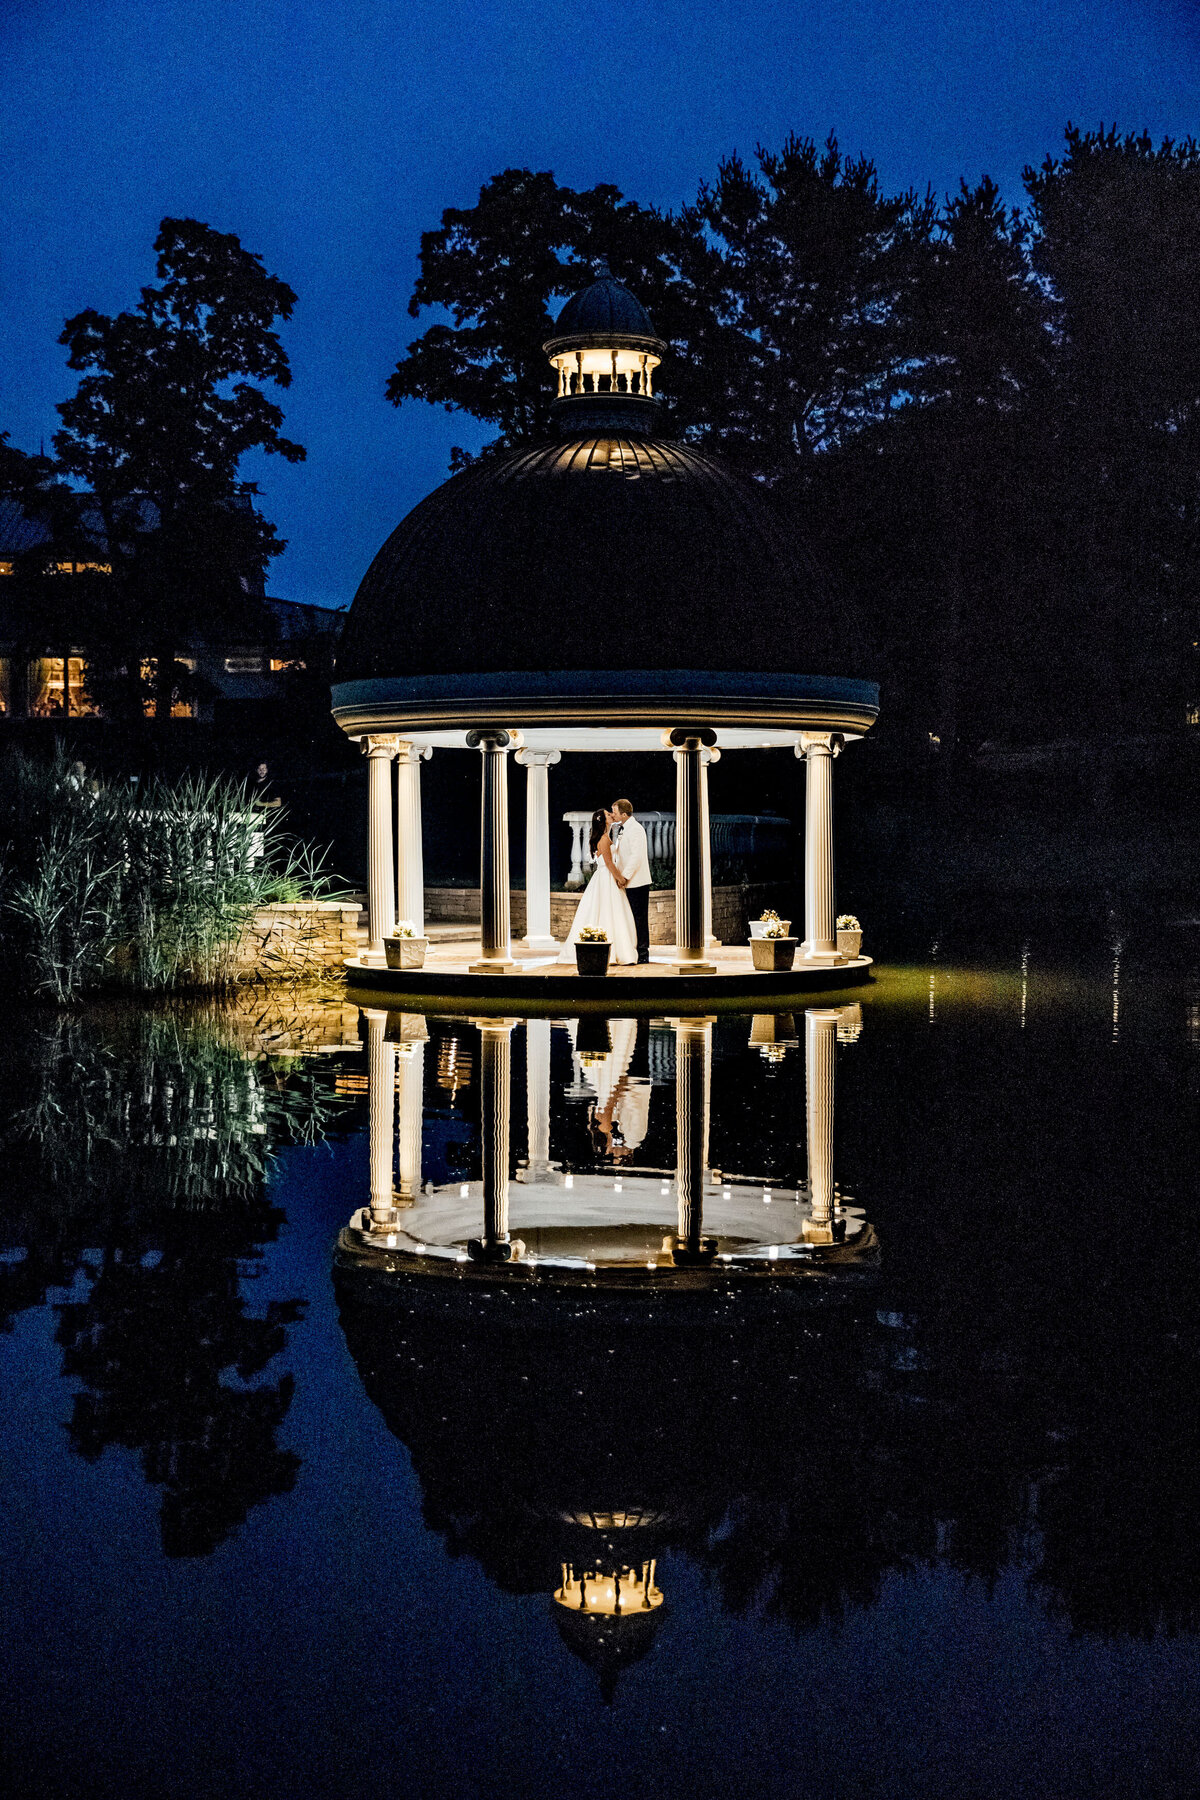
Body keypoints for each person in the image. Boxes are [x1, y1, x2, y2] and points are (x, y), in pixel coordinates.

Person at [559, 807, 637, 964]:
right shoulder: (603, 839)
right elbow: (608, 863)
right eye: (609, 814)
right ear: (603, 821)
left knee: (610, 910)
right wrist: (620, 878)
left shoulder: (606, 837)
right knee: (607, 909)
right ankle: (611, 950)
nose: (612, 815)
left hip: (605, 877)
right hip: (605, 878)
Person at [610, 798, 651, 964]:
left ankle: (643, 953)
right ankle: (634, 950)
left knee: (639, 918)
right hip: (626, 881)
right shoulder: (622, 829)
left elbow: (636, 856)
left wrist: (624, 876)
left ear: (624, 814)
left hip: (637, 881)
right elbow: (620, 852)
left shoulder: (636, 829)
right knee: (630, 917)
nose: (613, 815)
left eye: (615, 812)